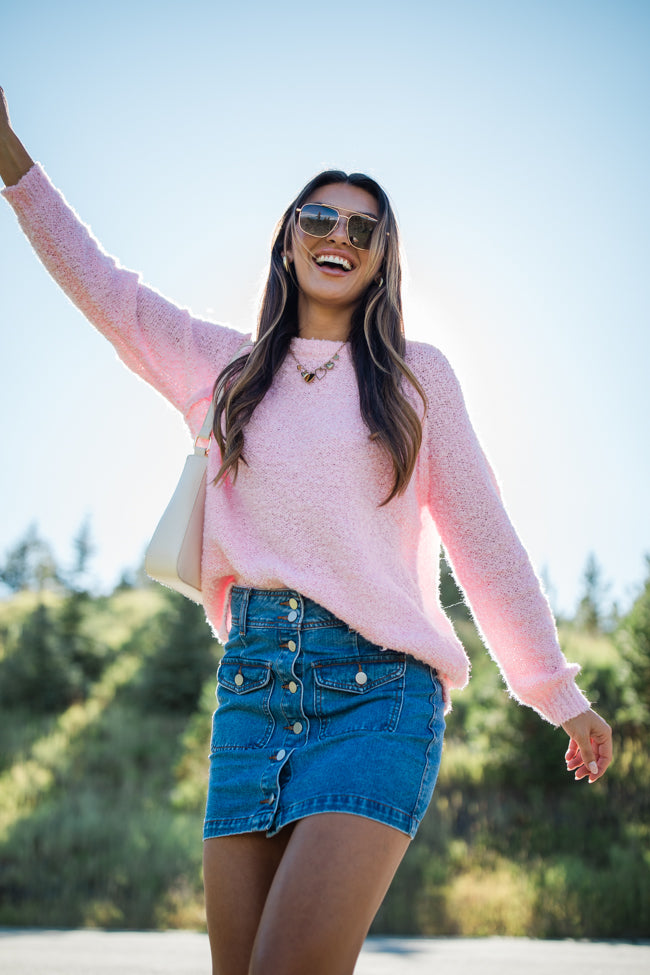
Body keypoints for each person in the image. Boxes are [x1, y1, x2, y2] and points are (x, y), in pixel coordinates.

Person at [0, 86, 612, 975]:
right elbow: (109, 292)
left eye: (364, 230)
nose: (339, 237)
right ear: (289, 238)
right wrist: (11, 156)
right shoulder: (226, 369)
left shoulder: (418, 380)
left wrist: (557, 690)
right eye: (320, 218)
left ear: (382, 260)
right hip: (250, 695)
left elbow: (488, 546)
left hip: (379, 697)